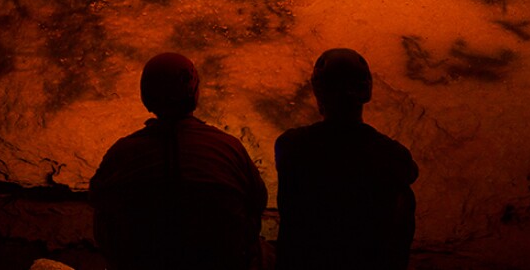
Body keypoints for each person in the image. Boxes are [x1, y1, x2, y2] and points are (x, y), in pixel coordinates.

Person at [89, 52, 268, 270]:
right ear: (194, 92)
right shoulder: (229, 148)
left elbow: (99, 201)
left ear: (146, 96)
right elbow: (257, 201)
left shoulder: (122, 154)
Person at [275, 48, 418, 270]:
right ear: (367, 91)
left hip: (305, 260)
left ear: (318, 92)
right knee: (404, 194)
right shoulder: (391, 154)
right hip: (364, 260)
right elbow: (409, 172)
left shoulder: (290, 145)